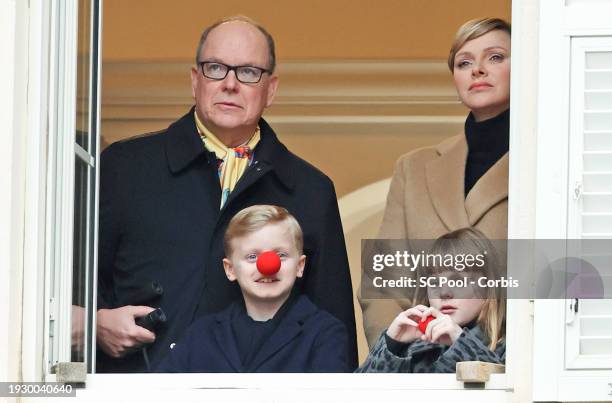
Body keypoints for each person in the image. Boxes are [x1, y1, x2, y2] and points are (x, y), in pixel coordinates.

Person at [96, 16, 357, 372]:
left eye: (248, 72)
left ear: (271, 89)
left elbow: (333, 326)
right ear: (195, 80)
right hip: (139, 386)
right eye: (216, 68)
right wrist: (93, 323)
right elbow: (71, 282)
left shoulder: (311, 189)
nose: (230, 84)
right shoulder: (125, 167)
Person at [359, 17, 511, 347]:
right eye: (464, 62)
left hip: (515, 371)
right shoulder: (414, 168)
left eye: (495, 57)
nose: (478, 70)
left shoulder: (549, 164)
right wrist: (401, 355)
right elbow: (384, 283)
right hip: (424, 369)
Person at [156, 205, 349, 372]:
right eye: (252, 257)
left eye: (280, 255)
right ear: (230, 269)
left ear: (300, 266)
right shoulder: (200, 334)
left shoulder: (325, 333)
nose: (267, 266)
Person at [356, 228, 506, 373]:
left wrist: (461, 342)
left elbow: (509, 395)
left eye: (457, 281)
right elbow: (355, 396)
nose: (444, 293)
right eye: (434, 283)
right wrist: (392, 344)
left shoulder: (513, 346)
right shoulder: (414, 349)